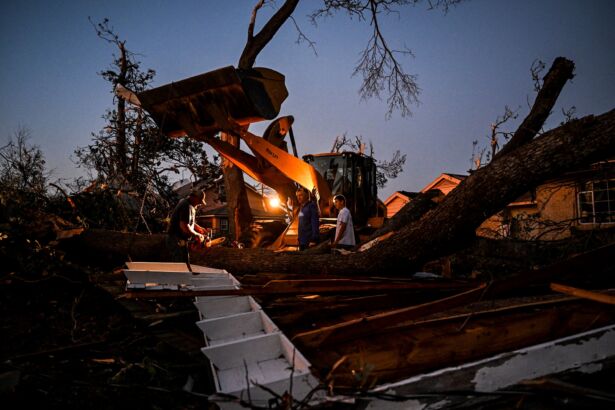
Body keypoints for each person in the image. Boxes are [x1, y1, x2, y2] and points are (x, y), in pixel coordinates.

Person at [166, 189, 209, 262]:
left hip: (179, 239)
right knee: (180, 264)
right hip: (176, 239)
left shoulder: (187, 203)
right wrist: (197, 235)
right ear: (194, 197)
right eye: (199, 201)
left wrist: (199, 228)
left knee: (184, 261)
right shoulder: (186, 206)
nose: (199, 204)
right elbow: (184, 226)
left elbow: (187, 221)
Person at [296, 187, 319, 251]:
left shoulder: (311, 206)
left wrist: (314, 239)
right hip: (302, 241)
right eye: (297, 196)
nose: (298, 197)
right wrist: (299, 239)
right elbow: (301, 225)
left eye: (301, 195)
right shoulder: (302, 208)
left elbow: (315, 223)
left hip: (309, 241)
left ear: (306, 195)